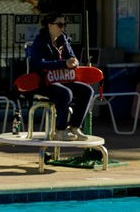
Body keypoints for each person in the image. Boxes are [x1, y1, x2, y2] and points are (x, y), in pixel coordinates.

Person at [29, 13, 94, 142]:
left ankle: (75, 127)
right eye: (59, 24)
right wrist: (62, 63)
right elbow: (37, 63)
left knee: (87, 91)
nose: (62, 27)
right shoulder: (40, 41)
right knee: (65, 93)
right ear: (50, 25)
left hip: (62, 79)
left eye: (64, 24)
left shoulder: (63, 39)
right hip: (44, 82)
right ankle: (60, 130)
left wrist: (73, 62)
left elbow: (71, 57)